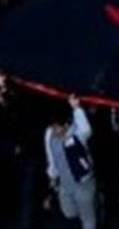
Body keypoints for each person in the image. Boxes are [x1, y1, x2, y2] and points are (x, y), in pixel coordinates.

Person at [44, 96, 97, 229]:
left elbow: (86, 129)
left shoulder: (77, 133)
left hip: (83, 182)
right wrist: (52, 176)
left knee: (88, 220)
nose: (54, 130)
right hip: (64, 184)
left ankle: (91, 207)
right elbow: (51, 157)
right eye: (52, 127)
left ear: (66, 125)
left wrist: (76, 108)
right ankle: (93, 205)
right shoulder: (49, 134)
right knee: (69, 213)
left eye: (57, 128)